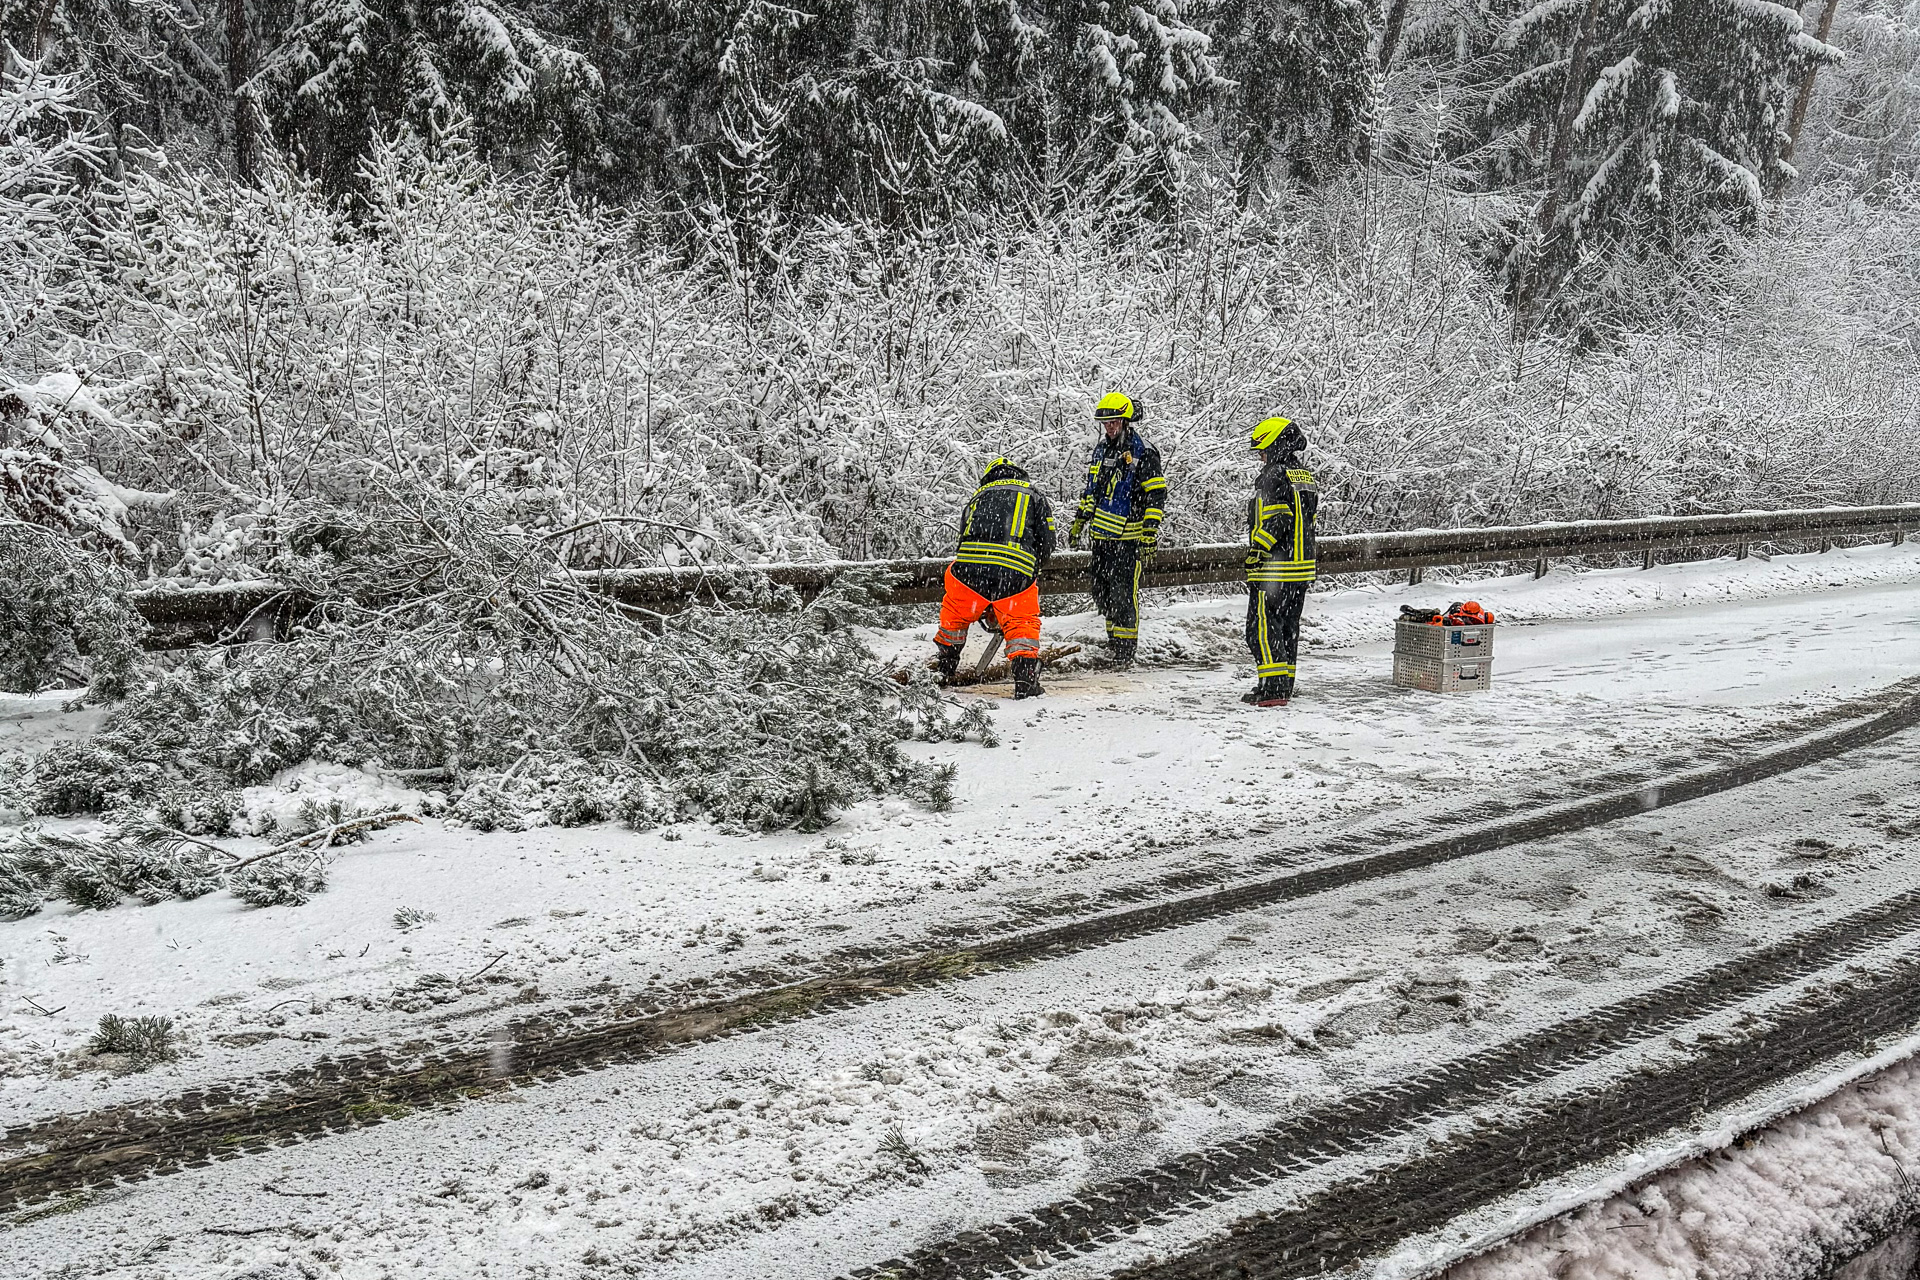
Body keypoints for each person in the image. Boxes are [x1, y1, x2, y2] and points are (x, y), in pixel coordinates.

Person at [934, 456, 1058, 699]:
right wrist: (1030, 571)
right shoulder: (1033, 495)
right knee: (1021, 621)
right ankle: (1025, 681)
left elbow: (962, 538)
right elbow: (1048, 541)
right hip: (1014, 573)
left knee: (955, 613)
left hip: (969, 573)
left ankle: (943, 669)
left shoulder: (977, 497)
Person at [1067, 392, 1167, 664]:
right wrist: (1080, 521)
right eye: (1106, 423)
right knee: (1103, 590)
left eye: (1114, 422)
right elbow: (1093, 490)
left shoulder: (1143, 451)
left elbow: (1156, 495)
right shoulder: (1101, 450)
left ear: (1125, 421)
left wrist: (1149, 533)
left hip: (1129, 537)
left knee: (1123, 591)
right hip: (1101, 536)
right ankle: (1114, 641)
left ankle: (1125, 650)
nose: (1110, 427)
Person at [1243, 415, 1318, 707]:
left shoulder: (1274, 474)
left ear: (1275, 445)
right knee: (1287, 628)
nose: (1260, 457)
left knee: (1260, 627)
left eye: (1262, 450)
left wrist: (1258, 550)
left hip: (1275, 567)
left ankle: (1272, 689)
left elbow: (1277, 518)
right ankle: (1283, 685)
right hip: (1300, 567)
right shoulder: (1303, 475)